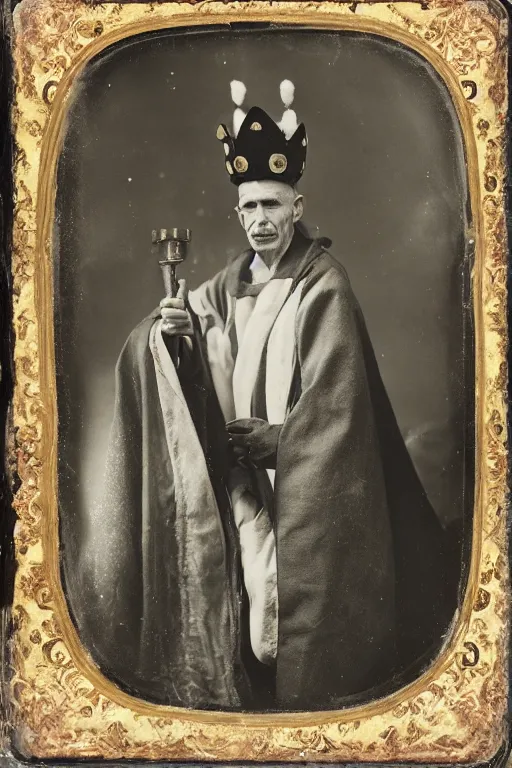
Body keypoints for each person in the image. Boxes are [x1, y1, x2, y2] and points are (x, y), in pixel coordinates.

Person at [76, 81, 453, 712]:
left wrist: (283, 443)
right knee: (247, 629)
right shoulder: (228, 284)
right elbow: (185, 343)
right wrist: (171, 335)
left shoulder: (324, 287)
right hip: (243, 486)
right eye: (249, 206)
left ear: (297, 205)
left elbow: (341, 413)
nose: (260, 221)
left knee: (293, 641)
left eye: (273, 205)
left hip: (304, 494)